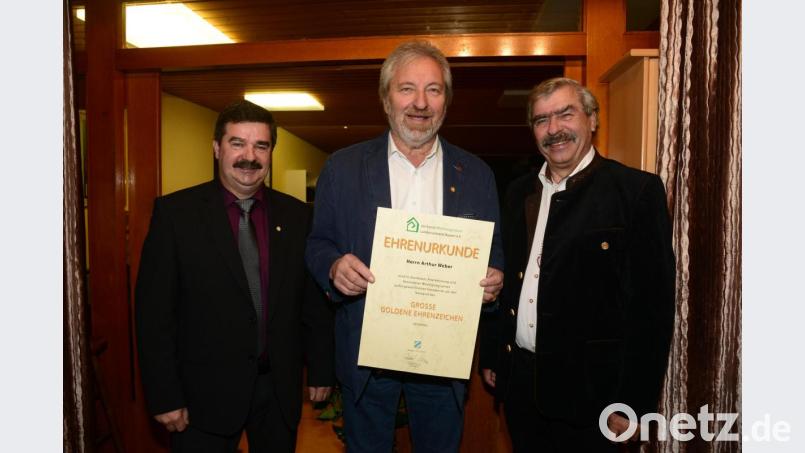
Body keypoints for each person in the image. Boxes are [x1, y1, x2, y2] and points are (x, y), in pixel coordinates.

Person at [305, 40, 504, 453]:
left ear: (446, 102)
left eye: (434, 89)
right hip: (366, 354)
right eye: (407, 88)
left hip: (443, 357)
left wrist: (494, 277)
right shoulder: (342, 168)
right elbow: (317, 241)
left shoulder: (478, 174)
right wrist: (333, 265)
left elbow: (494, 247)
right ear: (385, 98)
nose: (420, 102)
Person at [479, 77, 676, 452]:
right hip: (521, 386)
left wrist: (632, 404)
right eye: (541, 120)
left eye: (565, 114)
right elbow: (506, 277)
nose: (554, 129)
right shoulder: (519, 192)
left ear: (592, 119)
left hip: (592, 398)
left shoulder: (635, 192)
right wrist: (493, 355)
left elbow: (652, 309)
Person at [135, 100, 334, 453]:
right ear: (216, 148)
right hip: (201, 397)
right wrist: (164, 394)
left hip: (277, 392)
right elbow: (154, 316)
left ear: (271, 151)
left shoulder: (297, 216)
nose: (249, 156)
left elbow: (311, 302)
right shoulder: (175, 215)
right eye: (237, 143)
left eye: (261, 145)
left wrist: (320, 368)